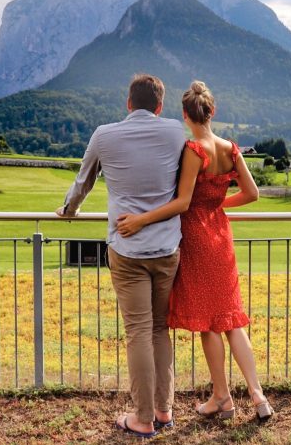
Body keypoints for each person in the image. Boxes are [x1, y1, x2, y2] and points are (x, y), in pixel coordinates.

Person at [117, 80, 273, 422]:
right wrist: (217, 205)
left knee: (209, 324)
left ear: (185, 115)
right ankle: (258, 396)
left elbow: (183, 202)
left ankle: (222, 397)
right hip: (221, 234)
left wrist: (141, 220)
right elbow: (252, 194)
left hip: (198, 238)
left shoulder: (194, 149)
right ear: (212, 111)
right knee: (231, 318)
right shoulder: (230, 148)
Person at [56, 73, 185, 438]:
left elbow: (83, 181)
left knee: (138, 332)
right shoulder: (176, 132)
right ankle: (163, 411)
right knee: (161, 329)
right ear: (159, 106)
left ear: (128, 104)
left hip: (127, 250)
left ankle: (142, 419)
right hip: (166, 248)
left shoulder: (104, 135)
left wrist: (68, 210)